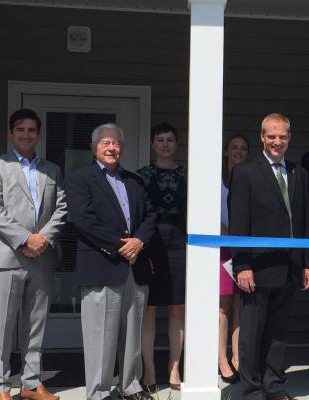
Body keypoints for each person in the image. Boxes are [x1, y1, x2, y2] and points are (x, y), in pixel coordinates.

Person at [0, 109, 67, 400]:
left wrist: (43, 239)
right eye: (21, 129)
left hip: (42, 257)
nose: (26, 135)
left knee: (35, 325)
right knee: (2, 327)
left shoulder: (52, 170)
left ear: (38, 134)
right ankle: (0, 387)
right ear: (11, 133)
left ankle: (31, 383)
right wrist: (24, 240)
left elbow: (61, 209)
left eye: (32, 130)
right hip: (6, 256)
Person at [67, 123, 157, 400]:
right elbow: (83, 220)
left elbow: (150, 216)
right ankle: (99, 392)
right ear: (95, 148)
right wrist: (122, 246)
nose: (111, 147)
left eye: (116, 143)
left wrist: (139, 242)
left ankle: (130, 386)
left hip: (135, 267)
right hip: (102, 266)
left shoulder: (135, 181)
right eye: (105, 143)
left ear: (123, 148)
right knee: (100, 337)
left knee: (132, 335)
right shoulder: (80, 179)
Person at [230, 113, 309, 400]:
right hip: (256, 268)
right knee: (252, 332)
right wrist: (242, 264)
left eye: (283, 136)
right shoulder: (244, 172)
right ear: (262, 137)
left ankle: (273, 385)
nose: (277, 141)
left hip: (290, 267)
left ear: (289, 138)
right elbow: (239, 222)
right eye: (272, 136)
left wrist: (307, 263)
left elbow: (304, 222)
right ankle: (251, 389)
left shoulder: (299, 173)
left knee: (278, 332)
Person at [137, 122, 187, 397]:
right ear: (153, 144)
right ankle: (149, 369)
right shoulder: (142, 175)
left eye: (170, 139)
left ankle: (174, 366)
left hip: (179, 240)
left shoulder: (185, 175)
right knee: (150, 308)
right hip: (151, 241)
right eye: (160, 140)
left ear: (176, 144)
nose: (165, 144)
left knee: (178, 307)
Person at [218, 133, 248, 384]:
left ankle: (238, 357)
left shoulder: (248, 179)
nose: (238, 152)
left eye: (243, 148)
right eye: (234, 147)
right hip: (222, 250)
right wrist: (231, 237)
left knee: (240, 304)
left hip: (245, 250)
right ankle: (222, 359)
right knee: (223, 306)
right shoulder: (217, 182)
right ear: (226, 152)